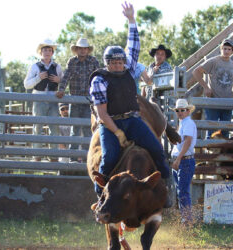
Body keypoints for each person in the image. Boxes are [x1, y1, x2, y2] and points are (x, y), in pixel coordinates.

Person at [89, 2, 172, 207]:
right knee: (109, 159)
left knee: (157, 150)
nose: (118, 65)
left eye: (120, 62)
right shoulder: (99, 81)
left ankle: (167, 188)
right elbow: (102, 114)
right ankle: (101, 197)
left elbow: (134, 46)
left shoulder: (129, 68)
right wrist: (118, 133)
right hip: (110, 123)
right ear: (107, 63)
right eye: (114, 63)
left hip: (133, 119)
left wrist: (132, 20)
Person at [56, 38, 99, 163]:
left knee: (87, 130)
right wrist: (62, 89)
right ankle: (73, 158)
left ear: (87, 50)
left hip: (88, 101)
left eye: (85, 48)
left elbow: (98, 77)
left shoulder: (93, 61)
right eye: (80, 48)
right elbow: (66, 77)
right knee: (74, 130)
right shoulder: (72, 62)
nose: (82, 50)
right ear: (77, 50)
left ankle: (87, 159)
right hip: (74, 100)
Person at [24, 39, 63, 162]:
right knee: (38, 127)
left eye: (49, 50)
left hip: (53, 98)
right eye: (45, 50)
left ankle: (53, 157)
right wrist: (38, 78)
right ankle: (37, 156)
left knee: (54, 128)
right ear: (41, 52)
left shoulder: (57, 67)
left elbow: (63, 83)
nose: (47, 52)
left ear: (52, 52)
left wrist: (59, 81)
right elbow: (26, 84)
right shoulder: (35, 67)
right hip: (39, 97)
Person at [193, 38, 233, 139]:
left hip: (227, 103)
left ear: (232, 51)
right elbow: (196, 72)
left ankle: (224, 154)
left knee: (225, 132)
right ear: (221, 49)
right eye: (224, 49)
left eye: (229, 49)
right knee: (212, 132)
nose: (226, 51)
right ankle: (210, 153)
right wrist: (206, 87)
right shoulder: (213, 61)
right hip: (213, 101)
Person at [170, 99, 197, 224]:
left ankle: (187, 220)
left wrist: (178, 159)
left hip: (184, 160)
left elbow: (188, 142)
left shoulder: (188, 123)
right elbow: (184, 142)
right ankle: (186, 219)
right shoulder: (184, 123)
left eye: (182, 110)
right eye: (178, 110)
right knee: (181, 191)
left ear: (187, 111)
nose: (180, 112)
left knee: (182, 191)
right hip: (182, 160)